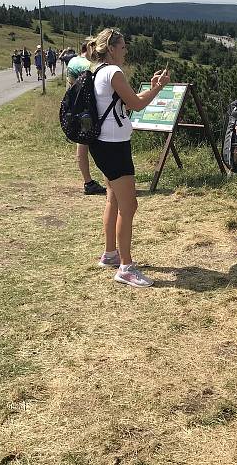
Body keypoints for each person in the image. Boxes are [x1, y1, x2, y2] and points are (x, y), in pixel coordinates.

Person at [86, 28, 170, 288]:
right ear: (111, 48)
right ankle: (126, 266)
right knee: (129, 206)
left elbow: (125, 102)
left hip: (102, 144)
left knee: (113, 198)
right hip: (114, 146)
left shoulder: (98, 71)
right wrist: (159, 88)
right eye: (123, 47)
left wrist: (153, 86)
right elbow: (135, 104)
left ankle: (110, 253)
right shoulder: (113, 72)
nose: (126, 51)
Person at [66, 40, 107, 196]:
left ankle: (88, 181)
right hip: (91, 112)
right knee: (102, 147)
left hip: (75, 109)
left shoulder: (73, 61)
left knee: (81, 147)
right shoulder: (90, 65)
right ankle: (111, 181)